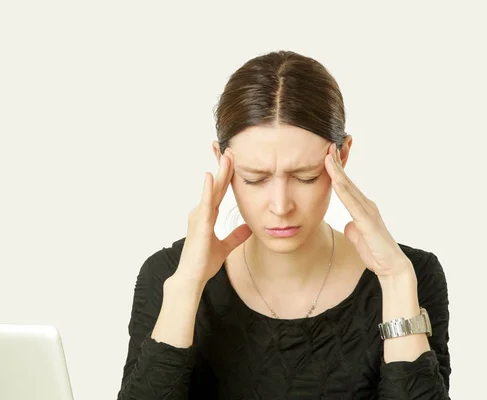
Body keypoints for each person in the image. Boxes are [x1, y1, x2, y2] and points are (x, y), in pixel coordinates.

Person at [117, 50, 451, 399]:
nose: (280, 206)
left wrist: (396, 281)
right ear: (222, 163)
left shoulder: (413, 275)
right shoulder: (167, 275)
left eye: (305, 177)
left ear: (343, 156)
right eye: (254, 178)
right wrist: (186, 287)